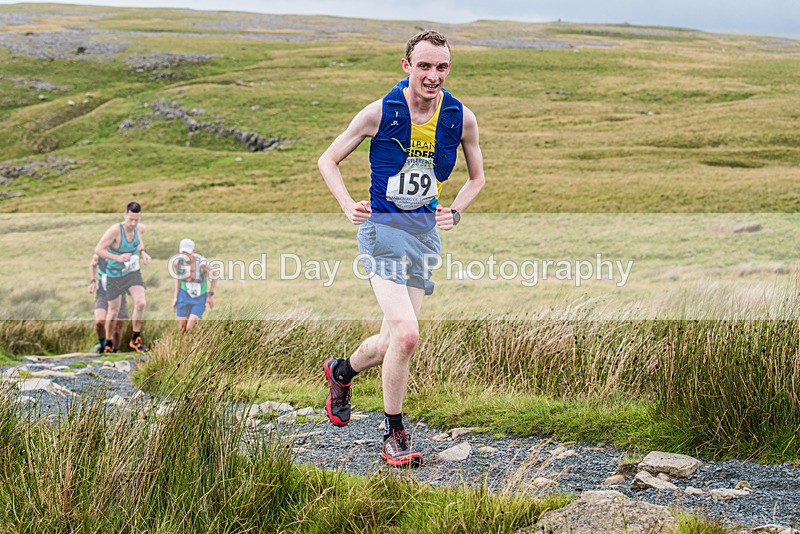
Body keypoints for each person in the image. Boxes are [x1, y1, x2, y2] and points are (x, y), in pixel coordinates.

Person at [318, 30, 486, 467]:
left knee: (392, 338)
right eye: (425, 66)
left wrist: (456, 211)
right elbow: (328, 159)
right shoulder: (378, 113)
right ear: (406, 66)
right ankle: (394, 433)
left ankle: (342, 372)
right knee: (408, 335)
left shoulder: (461, 118)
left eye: (442, 67)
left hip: (423, 238)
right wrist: (347, 205)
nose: (433, 76)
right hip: (381, 232)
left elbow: (477, 178)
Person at [94, 201, 151, 353]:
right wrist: (117, 258)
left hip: (132, 273)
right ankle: (108, 343)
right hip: (115, 275)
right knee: (113, 311)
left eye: (136, 220)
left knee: (140, 303)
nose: (133, 223)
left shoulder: (139, 228)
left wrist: (143, 252)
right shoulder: (114, 231)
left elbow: (139, 237)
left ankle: (135, 338)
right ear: (125, 215)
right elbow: (99, 250)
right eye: (130, 219)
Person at [171, 238, 217, 332]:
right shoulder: (177, 263)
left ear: (193, 251)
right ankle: (183, 345)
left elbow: (215, 274)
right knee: (181, 327)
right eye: (183, 253)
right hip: (184, 295)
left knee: (190, 327)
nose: (185, 256)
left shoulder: (202, 263)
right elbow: (178, 279)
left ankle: (194, 343)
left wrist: (210, 295)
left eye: (187, 253)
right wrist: (176, 297)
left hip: (199, 297)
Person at [88, 253, 130, 352]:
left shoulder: (123, 254)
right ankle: (103, 346)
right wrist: (93, 281)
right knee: (99, 322)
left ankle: (114, 350)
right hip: (103, 294)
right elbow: (92, 265)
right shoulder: (99, 256)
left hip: (119, 294)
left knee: (117, 328)